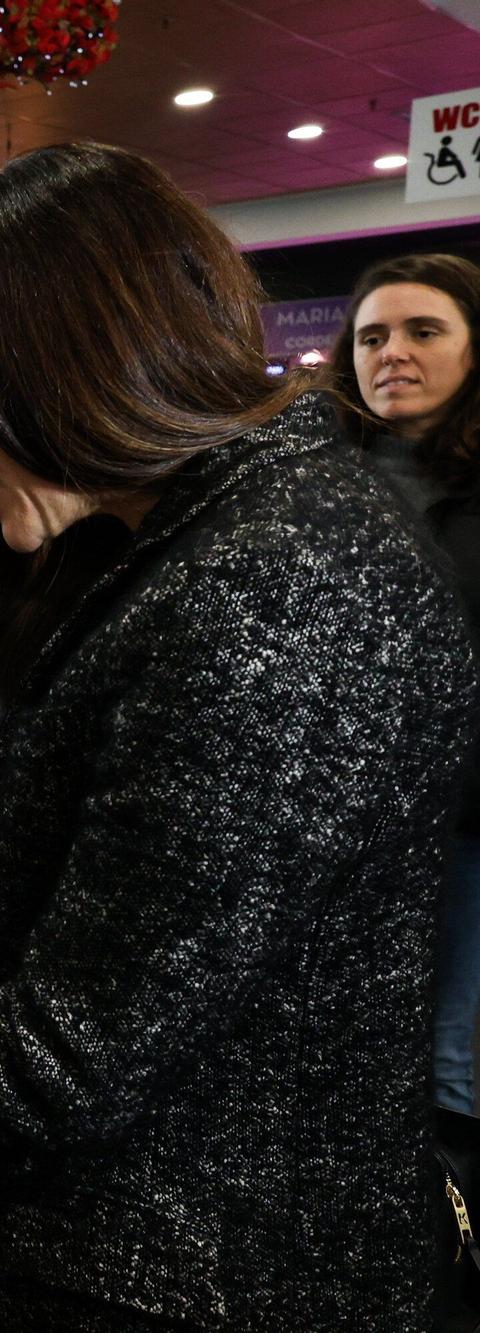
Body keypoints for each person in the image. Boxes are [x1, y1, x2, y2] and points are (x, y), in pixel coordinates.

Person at [0, 144, 476, 1331]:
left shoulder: (267, 588)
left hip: (189, 1272)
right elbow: (145, 890)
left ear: (57, 349)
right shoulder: (217, 543)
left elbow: (72, 1053)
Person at [326, 252, 480, 1117]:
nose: (394, 352)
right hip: (328, 825)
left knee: (437, 1060)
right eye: (374, 334)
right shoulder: (313, 483)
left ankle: (440, 1245)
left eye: (425, 331)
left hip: (460, 829)